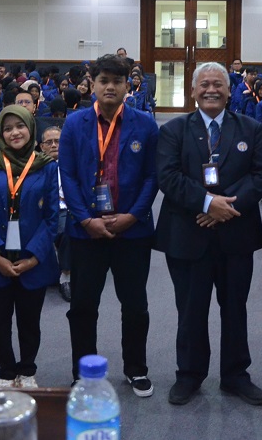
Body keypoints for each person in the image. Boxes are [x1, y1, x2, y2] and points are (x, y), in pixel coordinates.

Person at [156, 61, 262, 407]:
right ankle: (189, 375)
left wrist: (224, 207)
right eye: (204, 84)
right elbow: (168, 176)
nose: (211, 90)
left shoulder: (251, 128)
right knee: (191, 310)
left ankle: (235, 375)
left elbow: (260, 176)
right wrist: (207, 203)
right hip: (187, 235)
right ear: (193, 90)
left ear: (229, 90)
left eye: (218, 84)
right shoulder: (174, 130)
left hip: (236, 235)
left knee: (235, 308)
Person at [59, 54, 159, 395]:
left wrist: (132, 216)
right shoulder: (75, 124)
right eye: (104, 81)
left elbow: (152, 177)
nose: (110, 87)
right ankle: (84, 371)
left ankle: (136, 368)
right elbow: (68, 175)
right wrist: (85, 219)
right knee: (83, 306)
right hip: (86, 231)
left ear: (127, 85)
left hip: (132, 231)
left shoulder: (145, 124)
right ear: (93, 84)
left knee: (135, 305)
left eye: (117, 81)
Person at [0, 105, 60, 388]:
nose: (14, 133)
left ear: (30, 128)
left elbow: (52, 217)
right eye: (7, 129)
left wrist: (34, 257)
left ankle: (28, 370)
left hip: (33, 257)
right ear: (0, 133)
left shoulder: (46, 165)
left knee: (30, 321)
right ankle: (6, 373)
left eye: (20, 126)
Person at [39, 125, 72, 301]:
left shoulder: (73, 164)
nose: (53, 145)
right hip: (42, 210)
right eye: (49, 142)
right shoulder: (35, 166)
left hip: (67, 208)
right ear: (41, 146)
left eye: (57, 141)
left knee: (67, 228)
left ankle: (65, 276)